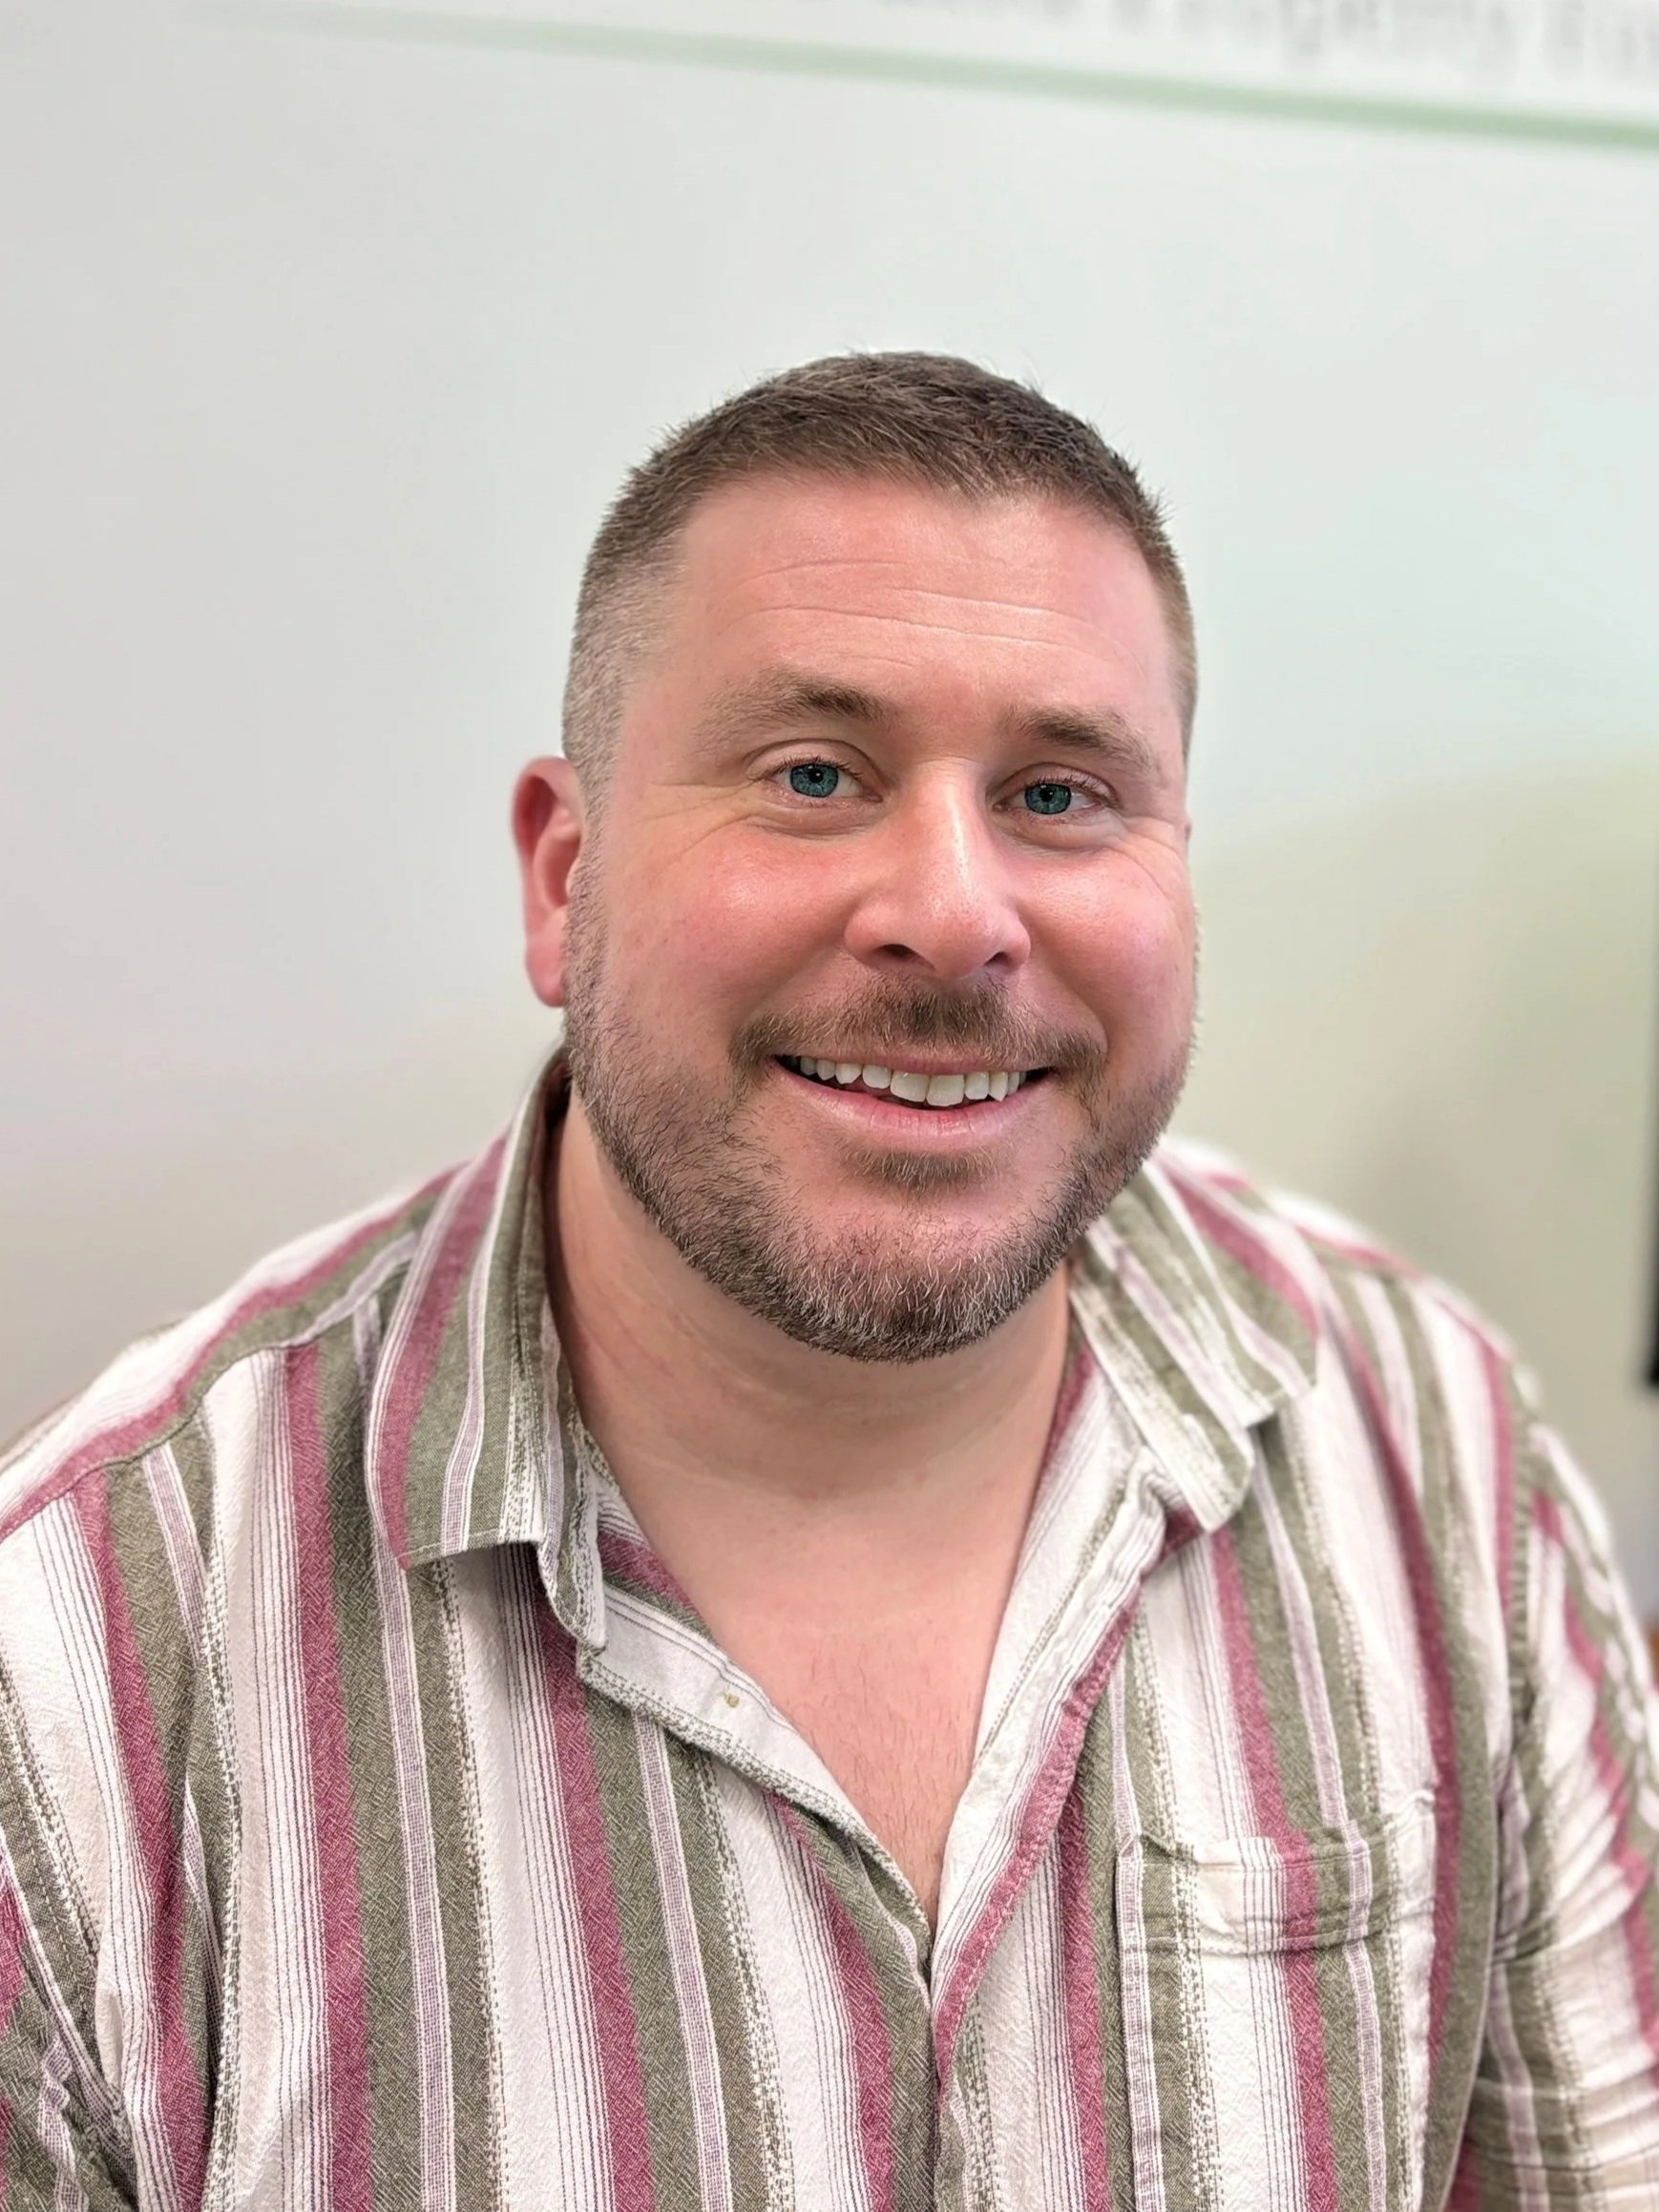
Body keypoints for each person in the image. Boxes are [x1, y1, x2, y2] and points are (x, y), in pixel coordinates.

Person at [0, 353, 1654, 2212]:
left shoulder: (1428, 1452)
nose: (951, 913)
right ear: (562, 877)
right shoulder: (78, 1663)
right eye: (811, 774)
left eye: (1055, 790)